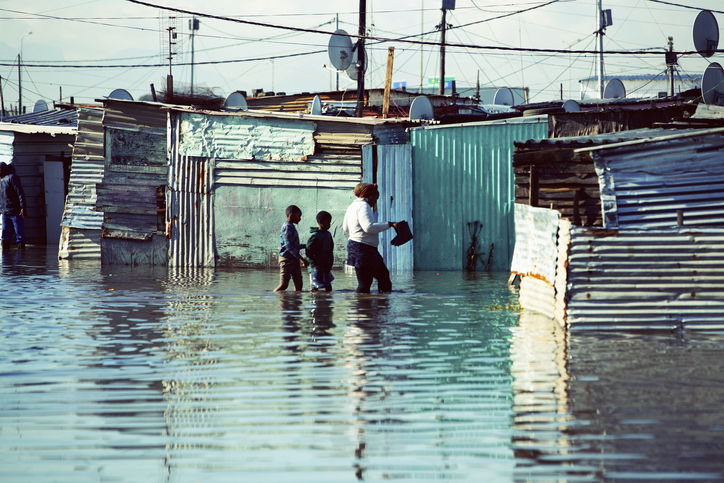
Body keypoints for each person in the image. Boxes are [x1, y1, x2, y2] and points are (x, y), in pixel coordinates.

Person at [343, 183, 397, 293]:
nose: (375, 202)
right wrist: (389, 224)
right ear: (369, 196)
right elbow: (368, 227)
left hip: (355, 246)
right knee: (380, 279)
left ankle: (366, 308)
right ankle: (380, 307)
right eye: (375, 198)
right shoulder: (364, 206)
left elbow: (345, 228)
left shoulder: (352, 206)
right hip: (364, 249)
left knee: (367, 282)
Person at [274, 205, 308, 292]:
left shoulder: (291, 226)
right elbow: (289, 247)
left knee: (299, 285)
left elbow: (293, 245)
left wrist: (305, 246)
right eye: (299, 216)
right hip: (286, 260)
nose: (300, 219)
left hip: (294, 259)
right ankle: (273, 297)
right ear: (291, 215)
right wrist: (301, 259)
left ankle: (295, 303)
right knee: (284, 285)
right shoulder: (287, 227)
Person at [306, 210, 334, 292]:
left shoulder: (328, 234)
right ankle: (315, 301)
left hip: (325, 266)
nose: (330, 224)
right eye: (328, 222)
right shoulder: (315, 236)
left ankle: (327, 303)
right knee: (315, 286)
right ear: (321, 222)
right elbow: (308, 250)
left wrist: (330, 262)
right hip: (316, 267)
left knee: (328, 286)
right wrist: (313, 263)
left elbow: (330, 249)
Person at [0, 162, 26, 249]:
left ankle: (21, 258)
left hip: (15, 212)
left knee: (19, 235)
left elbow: (20, 193)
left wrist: (23, 207)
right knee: (5, 236)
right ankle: (6, 259)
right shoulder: (2, 180)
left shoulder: (12, 177)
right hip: (5, 212)